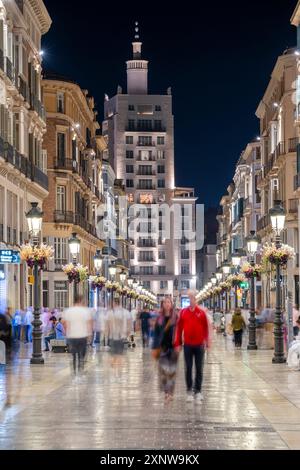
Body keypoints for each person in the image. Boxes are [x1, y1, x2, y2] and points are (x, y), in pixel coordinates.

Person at [174, 290, 210, 403]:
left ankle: (198, 391)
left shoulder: (201, 313)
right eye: (189, 298)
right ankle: (189, 390)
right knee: (188, 368)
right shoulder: (183, 312)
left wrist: (207, 342)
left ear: (196, 300)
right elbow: (179, 329)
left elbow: (206, 328)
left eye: (193, 298)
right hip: (188, 345)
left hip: (199, 345)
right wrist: (178, 343)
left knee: (199, 369)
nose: (191, 300)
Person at [152, 297, 178, 402]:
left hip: (173, 348)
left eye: (169, 302)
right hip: (162, 347)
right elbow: (156, 333)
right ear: (162, 304)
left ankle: (170, 392)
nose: (167, 304)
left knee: (171, 371)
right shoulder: (159, 318)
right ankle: (166, 392)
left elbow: (180, 331)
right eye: (165, 302)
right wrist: (154, 347)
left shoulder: (176, 317)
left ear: (171, 304)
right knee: (163, 372)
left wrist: (179, 344)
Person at [63, 295, 92, 375]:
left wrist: (66, 332)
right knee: (81, 354)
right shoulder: (85, 311)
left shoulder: (69, 311)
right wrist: (89, 335)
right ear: (80, 301)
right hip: (82, 336)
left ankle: (74, 370)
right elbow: (89, 323)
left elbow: (65, 323)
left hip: (72, 336)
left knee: (73, 354)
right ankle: (80, 368)